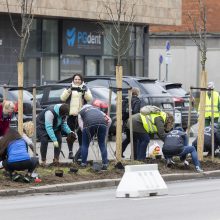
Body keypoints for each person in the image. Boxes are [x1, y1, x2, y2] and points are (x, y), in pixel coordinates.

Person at [60, 73, 93, 160]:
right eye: (75, 79)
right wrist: (69, 90)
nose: (77, 81)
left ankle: (81, 152)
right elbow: (62, 98)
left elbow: (89, 99)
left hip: (81, 115)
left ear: (81, 80)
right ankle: (70, 152)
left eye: (79, 79)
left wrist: (84, 92)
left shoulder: (85, 87)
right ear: (73, 80)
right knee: (70, 134)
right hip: (71, 115)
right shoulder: (69, 87)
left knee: (81, 134)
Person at [78, 104, 111, 169]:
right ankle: (105, 164)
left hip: (88, 125)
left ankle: (83, 163)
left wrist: (86, 135)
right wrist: (106, 130)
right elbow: (109, 120)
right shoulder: (97, 110)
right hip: (102, 124)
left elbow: (81, 126)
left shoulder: (81, 113)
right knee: (102, 144)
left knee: (85, 145)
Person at [122, 87, 141, 159]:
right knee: (135, 139)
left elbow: (123, 111)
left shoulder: (125, 100)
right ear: (137, 93)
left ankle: (119, 152)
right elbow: (136, 112)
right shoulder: (137, 101)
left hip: (126, 121)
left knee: (129, 138)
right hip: (133, 122)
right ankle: (134, 156)